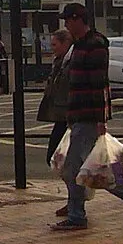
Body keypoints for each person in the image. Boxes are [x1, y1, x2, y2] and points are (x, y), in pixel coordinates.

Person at [52, 2, 123, 230]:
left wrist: (101, 119)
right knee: (83, 167)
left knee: (90, 168)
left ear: (77, 19)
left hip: (89, 115)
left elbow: (100, 84)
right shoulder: (79, 45)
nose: (65, 24)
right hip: (79, 114)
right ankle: (79, 213)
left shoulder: (95, 45)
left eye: (67, 20)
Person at [37, 28, 74, 167]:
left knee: (56, 155)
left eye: (55, 45)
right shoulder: (60, 61)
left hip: (67, 113)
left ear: (65, 44)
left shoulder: (70, 61)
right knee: (55, 156)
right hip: (61, 112)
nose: (52, 48)